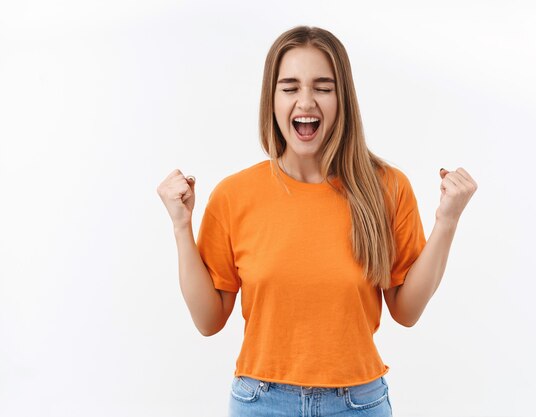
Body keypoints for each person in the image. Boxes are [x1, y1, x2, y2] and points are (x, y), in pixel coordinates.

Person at [157, 25, 477, 417]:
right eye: (290, 87)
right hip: (261, 403)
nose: (305, 101)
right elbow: (208, 320)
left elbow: (406, 311)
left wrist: (447, 221)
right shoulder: (234, 195)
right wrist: (180, 226)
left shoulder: (387, 188)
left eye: (323, 87)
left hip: (358, 403)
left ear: (343, 99)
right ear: (271, 99)